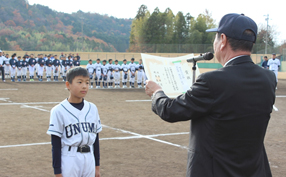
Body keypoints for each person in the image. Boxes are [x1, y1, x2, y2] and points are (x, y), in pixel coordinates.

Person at [145, 13, 275, 177]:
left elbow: (170, 111)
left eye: (216, 38)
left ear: (223, 40)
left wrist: (156, 92)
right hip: (254, 171)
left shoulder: (212, 81)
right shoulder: (268, 78)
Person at [47, 67, 102, 177]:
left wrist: (97, 167)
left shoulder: (92, 108)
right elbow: (56, 144)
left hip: (89, 157)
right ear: (68, 85)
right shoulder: (58, 110)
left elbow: (96, 140)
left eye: (87, 82)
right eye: (80, 82)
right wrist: (57, 172)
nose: (84, 86)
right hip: (69, 159)